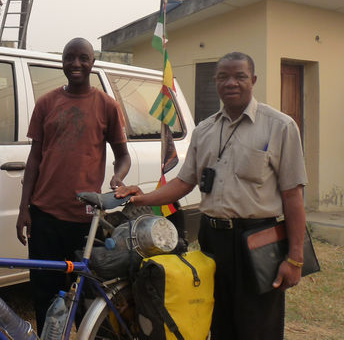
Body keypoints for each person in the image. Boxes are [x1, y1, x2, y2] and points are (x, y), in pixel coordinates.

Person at [115, 51, 307, 340]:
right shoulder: (204, 130)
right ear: (215, 81)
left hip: (259, 240)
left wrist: (295, 259)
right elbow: (183, 183)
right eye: (223, 77)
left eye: (240, 76)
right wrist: (142, 197)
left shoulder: (280, 126)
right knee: (217, 323)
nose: (231, 83)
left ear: (253, 80)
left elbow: (293, 197)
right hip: (213, 241)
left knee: (259, 327)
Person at [15, 37, 131, 334]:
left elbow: (123, 156)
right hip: (44, 216)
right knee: (44, 292)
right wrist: (24, 208)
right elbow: (34, 158)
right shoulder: (46, 103)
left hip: (85, 220)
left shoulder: (107, 105)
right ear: (62, 62)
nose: (76, 64)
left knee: (86, 295)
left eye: (83, 58)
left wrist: (117, 177)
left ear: (92, 62)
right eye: (69, 58)